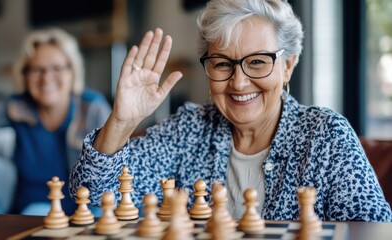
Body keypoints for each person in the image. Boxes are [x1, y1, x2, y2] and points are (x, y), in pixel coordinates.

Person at [69, 0, 392, 221]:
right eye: (223, 64)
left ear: (288, 66)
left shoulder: (326, 135)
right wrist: (122, 122)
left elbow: (375, 230)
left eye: (257, 62)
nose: (239, 82)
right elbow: (92, 192)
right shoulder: (189, 129)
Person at [0, 28, 111, 215]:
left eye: (56, 68)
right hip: (28, 209)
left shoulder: (92, 107)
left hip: (83, 211)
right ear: (24, 75)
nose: (46, 77)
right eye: (36, 69)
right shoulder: (18, 105)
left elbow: (111, 172)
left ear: (72, 71)